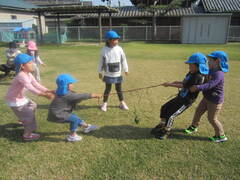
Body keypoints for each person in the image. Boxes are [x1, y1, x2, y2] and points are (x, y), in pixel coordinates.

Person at [151, 53, 209, 139]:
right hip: (180, 97)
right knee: (165, 107)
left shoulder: (198, 76)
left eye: (191, 65)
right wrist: (175, 82)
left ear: (198, 66)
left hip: (186, 101)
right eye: (189, 65)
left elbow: (184, 86)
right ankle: (162, 125)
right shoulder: (191, 73)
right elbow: (184, 83)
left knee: (171, 115)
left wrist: (169, 84)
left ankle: (167, 130)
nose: (189, 67)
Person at [5, 54, 54, 141]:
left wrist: (48, 91)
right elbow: (30, 88)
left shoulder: (28, 74)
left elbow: (36, 85)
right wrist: (44, 95)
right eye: (30, 63)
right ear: (22, 66)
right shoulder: (21, 76)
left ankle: (23, 119)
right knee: (29, 116)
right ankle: (27, 135)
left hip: (21, 98)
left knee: (33, 105)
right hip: (15, 101)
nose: (33, 64)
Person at [184, 51, 229, 143]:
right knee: (198, 112)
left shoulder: (219, 74)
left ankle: (221, 136)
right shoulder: (211, 70)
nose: (208, 62)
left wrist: (198, 87)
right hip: (206, 98)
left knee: (212, 119)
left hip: (215, 101)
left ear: (217, 61)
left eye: (210, 60)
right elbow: (204, 75)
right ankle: (194, 126)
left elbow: (210, 84)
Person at [48, 74, 102, 142]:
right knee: (74, 119)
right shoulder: (67, 94)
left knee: (74, 117)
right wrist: (94, 95)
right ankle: (72, 136)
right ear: (65, 85)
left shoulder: (60, 91)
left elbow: (56, 91)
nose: (72, 84)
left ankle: (87, 127)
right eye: (70, 83)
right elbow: (81, 96)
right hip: (57, 114)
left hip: (57, 112)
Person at [98, 30, 129, 112]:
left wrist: (126, 69)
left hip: (118, 73)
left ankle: (122, 103)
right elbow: (101, 61)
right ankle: (104, 103)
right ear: (108, 40)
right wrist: (100, 72)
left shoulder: (119, 49)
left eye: (117, 39)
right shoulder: (103, 50)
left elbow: (123, 59)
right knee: (107, 89)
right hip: (108, 73)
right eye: (114, 39)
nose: (116, 41)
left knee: (119, 89)